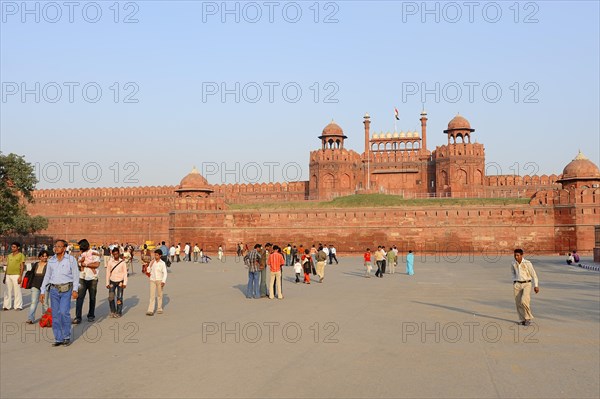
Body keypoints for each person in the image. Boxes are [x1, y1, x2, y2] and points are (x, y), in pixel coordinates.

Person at [40, 239, 80, 347]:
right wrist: (42, 291)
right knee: (55, 314)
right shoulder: (51, 260)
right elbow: (47, 276)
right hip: (54, 290)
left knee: (64, 312)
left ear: (64, 248)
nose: (56, 248)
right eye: (55, 246)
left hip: (66, 289)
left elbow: (76, 275)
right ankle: (58, 338)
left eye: (59, 246)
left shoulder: (71, 260)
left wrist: (75, 290)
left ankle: (66, 336)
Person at [73, 239, 100, 324]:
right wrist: (78, 258)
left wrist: (86, 265)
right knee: (79, 298)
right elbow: (76, 264)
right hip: (82, 277)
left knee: (92, 297)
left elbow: (97, 264)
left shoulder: (94, 253)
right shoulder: (80, 254)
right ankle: (78, 317)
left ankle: (91, 315)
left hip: (92, 278)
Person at [511, 249, 540, 326]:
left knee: (524, 301)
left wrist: (536, 285)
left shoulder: (527, 263)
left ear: (522, 255)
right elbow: (513, 273)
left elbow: (534, 275)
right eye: (515, 255)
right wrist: (514, 281)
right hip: (517, 284)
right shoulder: (513, 263)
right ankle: (522, 319)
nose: (516, 257)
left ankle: (527, 318)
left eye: (518, 255)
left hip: (527, 283)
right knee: (518, 303)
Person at [26, 250, 50, 323]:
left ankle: (45, 318)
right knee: (33, 302)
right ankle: (31, 318)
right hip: (35, 285)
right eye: (43, 256)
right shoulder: (36, 264)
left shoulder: (49, 265)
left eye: (46, 256)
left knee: (45, 303)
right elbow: (31, 274)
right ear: (40, 257)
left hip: (45, 286)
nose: (45, 257)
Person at [3, 242, 25, 311]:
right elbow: (7, 266)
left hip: (16, 275)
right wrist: (4, 276)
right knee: (7, 291)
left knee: (17, 291)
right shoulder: (9, 256)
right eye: (12, 247)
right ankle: (6, 306)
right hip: (8, 275)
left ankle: (18, 306)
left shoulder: (21, 255)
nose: (12, 248)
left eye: (14, 247)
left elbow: (22, 266)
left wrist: (20, 276)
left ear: (18, 248)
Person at [106, 247, 128, 318]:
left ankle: (119, 312)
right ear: (112, 254)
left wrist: (125, 283)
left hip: (120, 282)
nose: (116, 256)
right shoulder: (110, 262)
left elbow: (125, 273)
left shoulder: (122, 262)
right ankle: (113, 311)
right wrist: (107, 283)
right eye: (114, 254)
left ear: (119, 253)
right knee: (111, 297)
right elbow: (108, 273)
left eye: (117, 254)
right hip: (112, 281)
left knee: (119, 297)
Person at [146, 249, 167, 316]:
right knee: (152, 296)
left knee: (159, 295)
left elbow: (165, 273)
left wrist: (163, 281)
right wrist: (150, 265)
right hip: (152, 280)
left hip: (159, 280)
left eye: (157, 255)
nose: (155, 256)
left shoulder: (162, 263)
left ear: (160, 255)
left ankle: (159, 308)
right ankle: (150, 310)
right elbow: (148, 271)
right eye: (155, 255)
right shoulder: (152, 262)